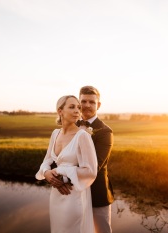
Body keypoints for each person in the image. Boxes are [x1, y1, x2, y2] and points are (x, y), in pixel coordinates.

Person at [56, 86, 115, 233]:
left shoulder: (105, 132)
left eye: (92, 102)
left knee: (101, 230)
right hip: (72, 193)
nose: (87, 105)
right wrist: (49, 175)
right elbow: (58, 158)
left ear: (98, 105)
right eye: (84, 101)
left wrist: (61, 179)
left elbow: (96, 166)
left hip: (97, 194)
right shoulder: (69, 127)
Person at [35, 95, 98, 233]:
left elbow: (91, 171)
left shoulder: (83, 136)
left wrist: (61, 173)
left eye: (78, 107)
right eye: (72, 107)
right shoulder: (55, 133)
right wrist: (46, 173)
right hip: (56, 194)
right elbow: (47, 160)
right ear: (60, 111)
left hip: (72, 194)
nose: (77, 111)